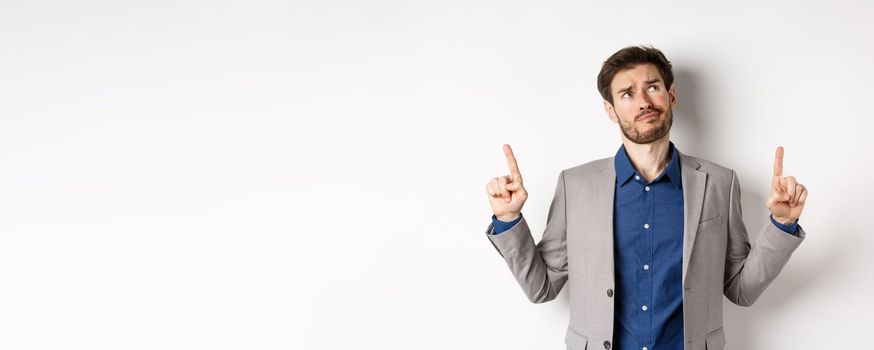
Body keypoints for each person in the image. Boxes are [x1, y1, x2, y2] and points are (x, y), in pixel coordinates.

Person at [483, 46, 807, 350]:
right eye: (627, 93)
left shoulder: (720, 183)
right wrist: (509, 219)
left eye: (652, 87)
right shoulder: (575, 186)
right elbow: (542, 287)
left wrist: (783, 224)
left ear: (672, 95)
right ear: (611, 110)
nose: (643, 102)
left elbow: (741, 289)